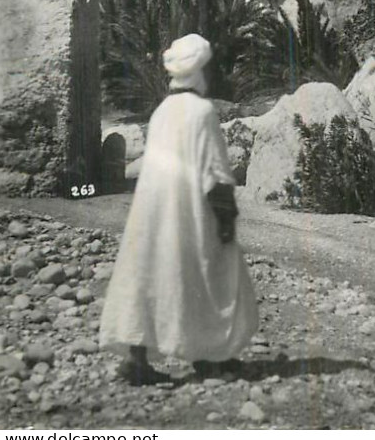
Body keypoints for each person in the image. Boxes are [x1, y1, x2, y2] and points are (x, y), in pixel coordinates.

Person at [99, 33, 258, 385]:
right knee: (213, 275)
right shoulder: (202, 112)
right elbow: (215, 171)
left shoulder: (161, 112)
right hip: (193, 211)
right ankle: (210, 355)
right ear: (201, 71)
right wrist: (226, 220)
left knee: (151, 277)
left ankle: (138, 360)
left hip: (155, 212)